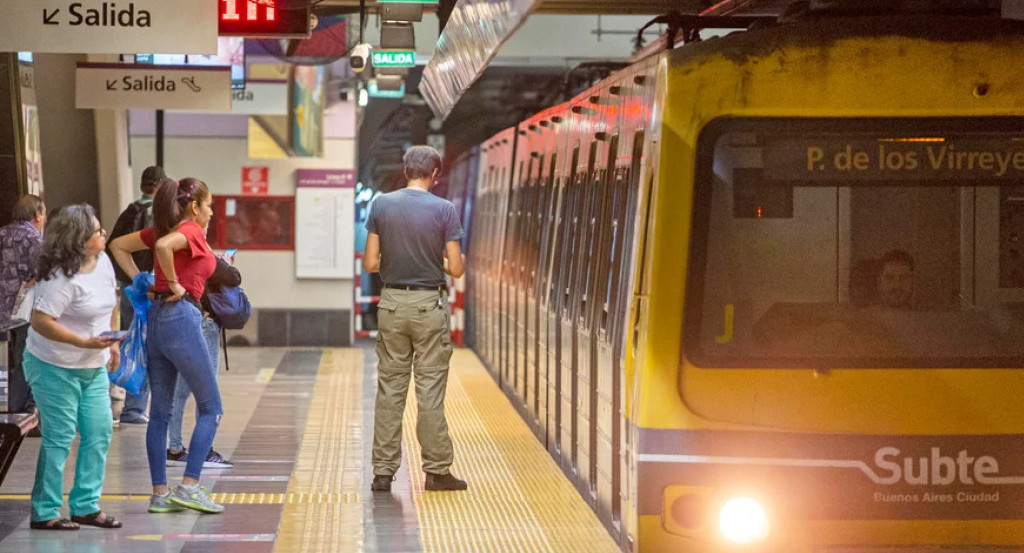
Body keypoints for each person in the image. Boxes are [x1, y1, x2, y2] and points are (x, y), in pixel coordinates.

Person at [109, 177, 224, 514]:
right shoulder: (189, 230)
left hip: (156, 320)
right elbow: (162, 250)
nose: (212, 213)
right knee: (211, 407)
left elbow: (117, 245)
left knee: (159, 411)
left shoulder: (161, 228)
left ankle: (160, 493)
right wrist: (173, 283)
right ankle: (189, 486)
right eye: (209, 205)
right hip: (181, 318)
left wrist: (142, 281)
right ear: (194, 207)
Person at [363, 145, 467, 493]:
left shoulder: (381, 205)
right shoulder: (445, 209)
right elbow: (456, 267)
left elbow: (369, 263)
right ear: (435, 174)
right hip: (428, 307)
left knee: (390, 390)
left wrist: (395, 262)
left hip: (391, 304)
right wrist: (431, 262)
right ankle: (437, 471)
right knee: (430, 393)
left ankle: (382, 472)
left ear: (405, 170)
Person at [24, 205, 121, 530]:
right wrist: (82, 343)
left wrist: (113, 340)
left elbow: (112, 300)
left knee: (99, 430)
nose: (103, 233)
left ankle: (85, 506)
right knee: (59, 436)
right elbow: (40, 322)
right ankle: (45, 511)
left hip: (91, 365)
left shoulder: (103, 261)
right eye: (97, 231)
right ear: (79, 239)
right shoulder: (61, 276)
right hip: (53, 365)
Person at [166, 254, 239, 470]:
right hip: (204, 322)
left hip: (181, 319)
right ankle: (204, 450)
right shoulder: (200, 248)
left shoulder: (175, 250)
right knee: (208, 390)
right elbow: (234, 277)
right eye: (206, 220)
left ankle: (175, 448)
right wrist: (223, 261)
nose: (208, 220)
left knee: (181, 389)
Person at [109, 165, 164, 426]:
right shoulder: (154, 215)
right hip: (145, 289)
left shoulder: (130, 211)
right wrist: (141, 279)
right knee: (144, 348)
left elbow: (113, 246)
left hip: (129, 287)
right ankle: (134, 409)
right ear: (160, 186)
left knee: (128, 344)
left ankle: (123, 399)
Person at [0, 195, 45, 415]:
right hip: (25, 308)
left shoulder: (1, 233)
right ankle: (22, 408)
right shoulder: (33, 238)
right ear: (37, 216)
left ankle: (4, 404)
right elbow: (42, 271)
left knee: (4, 360)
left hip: (2, 308)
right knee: (26, 357)